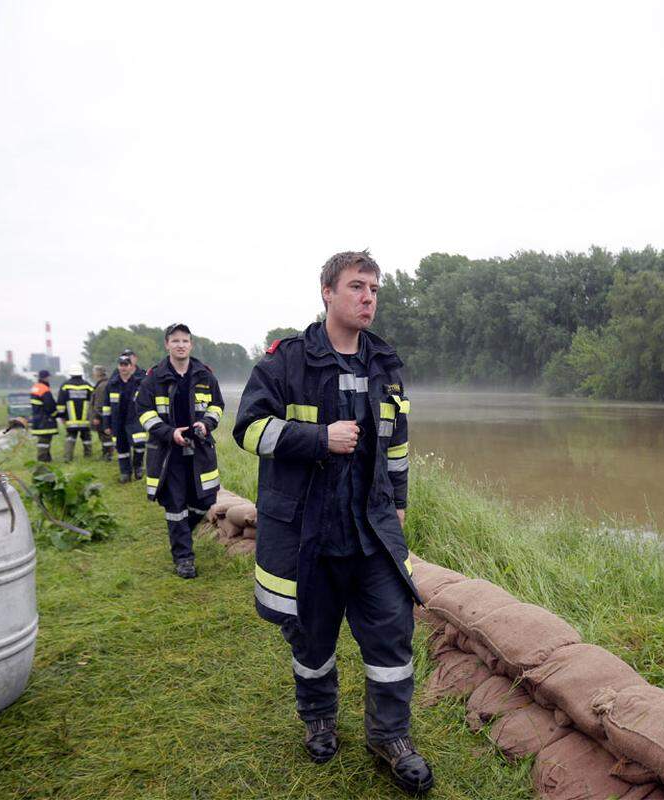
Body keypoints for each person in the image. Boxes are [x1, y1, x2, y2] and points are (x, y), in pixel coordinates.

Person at [233, 251, 430, 794]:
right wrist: (319, 438)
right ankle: (319, 721)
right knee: (312, 642)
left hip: (371, 532)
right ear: (327, 292)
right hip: (308, 535)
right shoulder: (285, 362)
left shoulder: (385, 364)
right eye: (357, 287)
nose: (368, 297)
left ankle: (390, 736)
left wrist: (400, 502)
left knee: (392, 635)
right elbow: (248, 431)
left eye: (374, 289)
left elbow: (399, 445)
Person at [135, 324, 224, 579]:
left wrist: (206, 424)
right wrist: (169, 433)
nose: (181, 345)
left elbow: (217, 405)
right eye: (175, 341)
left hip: (200, 451)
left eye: (185, 340)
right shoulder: (154, 377)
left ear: (191, 345)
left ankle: (182, 531)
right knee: (175, 505)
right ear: (167, 344)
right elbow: (144, 412)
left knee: (205, 501)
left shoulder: (205, 375)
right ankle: (184, 558)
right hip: (168, 454)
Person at [103, 352, 147, 483]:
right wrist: (106, 425)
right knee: (122, 449)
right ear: (118, 366)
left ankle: (138, 467)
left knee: (139, 445)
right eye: (121, 365)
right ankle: (125, 473)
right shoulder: (112, 384)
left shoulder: (140, 383)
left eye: (126, 365)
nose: (123, 368)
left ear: (131, 366)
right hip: (118, 422)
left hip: (135, 421)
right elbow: (106, 407)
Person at [56, 371, 95, 461]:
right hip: (85, 419)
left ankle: (68, 457)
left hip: (71, 420)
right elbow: (94, 401)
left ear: (71, 374)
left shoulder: (65, 386)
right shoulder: (88, 386)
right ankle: (88, 457)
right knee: (87, 438)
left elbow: (60, 403)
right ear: (81, 373)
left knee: (70, 437)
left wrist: (61, 415)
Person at [29, 369, 59, 462]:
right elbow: (50, 406)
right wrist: (55, 414)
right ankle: (42, 460)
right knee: (45, 441)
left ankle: (47, 460)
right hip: (45, 419)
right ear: (46, 377)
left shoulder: (35, 387)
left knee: (43, 441)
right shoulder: (44, 389)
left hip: (37, 418)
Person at [89, 364, 114, 461]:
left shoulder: (102, 386)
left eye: (94, 372)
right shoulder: (103, 384)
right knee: (105, 437)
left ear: (98, 373)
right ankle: (107, 454)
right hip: (103, 415)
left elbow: (100, 403)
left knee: (105, 437)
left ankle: (107, 455)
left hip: (102, 416)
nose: (93, 374)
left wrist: (97, 417)